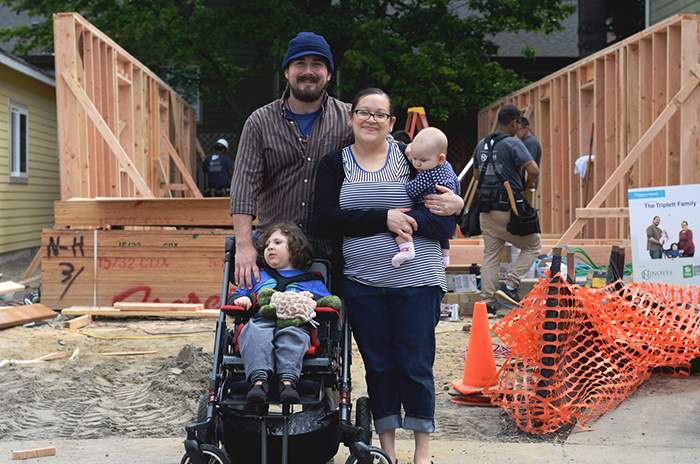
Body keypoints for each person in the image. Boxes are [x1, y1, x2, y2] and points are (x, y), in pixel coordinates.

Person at [314, 88, 464, 464]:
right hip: (363, 284)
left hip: (417, 280)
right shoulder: (336, 164)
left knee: (414, 364)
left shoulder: (411, 159)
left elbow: (443, 212)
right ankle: (387, 449)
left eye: (380, 114)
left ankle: (422, 452)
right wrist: (383, 218)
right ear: (351, 118)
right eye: (364, 112)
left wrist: (455, 204)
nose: (371, 120)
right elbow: (325, 218)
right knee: (378, 365)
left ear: (392, 123)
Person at [229, 31, 353, 290]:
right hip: (273, 250)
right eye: (300, 64)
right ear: (287, 71)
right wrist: (244, 247)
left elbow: (389, 156)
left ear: (329, 74)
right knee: (262, 319)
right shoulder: (259, 122)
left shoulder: (350, 119)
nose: (308, 71)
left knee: (330, 324)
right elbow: (244, 188)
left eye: (317, 64)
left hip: (330, 249)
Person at [232, 222, 330, 404]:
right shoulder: (258, 276)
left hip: (294, 322)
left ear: (295, 248)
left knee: (292, 335)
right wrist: (241, 299)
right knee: (254, 332)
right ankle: (259, 381)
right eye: (268, 244)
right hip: (261, 319)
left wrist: (310, 300)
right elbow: (238, 294)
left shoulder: (311, 281)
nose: (270, 247)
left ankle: (288, 382)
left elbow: (328, 303)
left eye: (277, 242)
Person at [472, 105, 541, 314]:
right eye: (518, 123)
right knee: (533, 246)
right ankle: (510, 285)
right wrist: (528, 186)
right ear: (513, 123)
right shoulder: (513, 143)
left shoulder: (482, 144)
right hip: (508, 207)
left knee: (491, 255)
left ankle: (486, 301)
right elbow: (533, 169)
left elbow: (476, 175)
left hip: (485, 209)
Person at [392, 127, 459, 268]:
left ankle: (407, 248)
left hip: (431, 215)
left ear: (440, 158)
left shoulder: (428, 174)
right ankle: (445, 256)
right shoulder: (447, 166)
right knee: (442, 232)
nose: (416, 164)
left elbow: (412, 190)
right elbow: (457, 184)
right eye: (414, 158)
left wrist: (405, 184)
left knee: (401, 221)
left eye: (422, 160)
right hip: (448, 220)